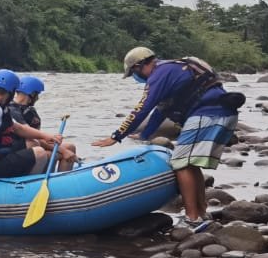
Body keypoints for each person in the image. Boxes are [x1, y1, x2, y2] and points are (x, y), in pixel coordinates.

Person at [91, 47, 244, 231]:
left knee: (180, 163)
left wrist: (116, 136)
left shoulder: (159, 74)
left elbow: (143, 107)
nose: (136, 78)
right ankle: (201, 214)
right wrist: (144, 135)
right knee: (190, 163)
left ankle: (192, 218)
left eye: (134, 73)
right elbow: (160, 110)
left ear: (140, 66)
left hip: (207, 114)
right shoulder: (173, 70)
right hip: (222, 113)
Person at [0, 70, 64, 181]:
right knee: (39, 153)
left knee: (33, 148)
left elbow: (17, 128)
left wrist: (47, 136)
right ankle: (30, 185)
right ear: (11, 91)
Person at [12, 75, 79, 169]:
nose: (38, 98)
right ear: (32, 93)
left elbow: (38, 137)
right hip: (22, 148)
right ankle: (45, 179)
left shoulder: (30, 111)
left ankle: (62, 178)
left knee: (70, 147)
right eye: (37, 94)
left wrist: (53, 139)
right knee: (50, 154)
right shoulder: (12, 109)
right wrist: (63, 151)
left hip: (36, 143)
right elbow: (33, 138)